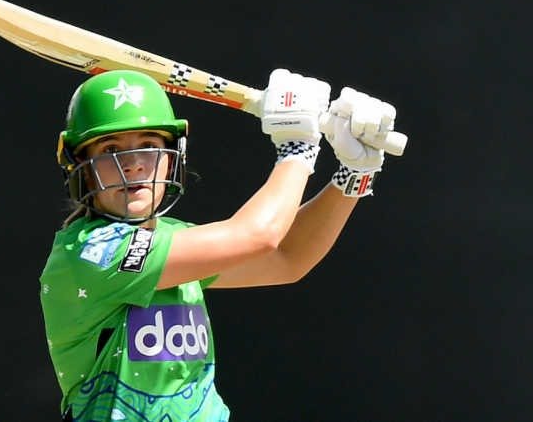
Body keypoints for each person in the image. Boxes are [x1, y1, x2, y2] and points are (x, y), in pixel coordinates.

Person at [39, 68, 398, 421]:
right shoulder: (92, 253)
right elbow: (257, 236)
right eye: (110, 148)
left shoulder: (171, 239)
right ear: (81, 167)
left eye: (148, 146)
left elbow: (287, 257)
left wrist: (354, 174)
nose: (132, 164)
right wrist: (298, 149)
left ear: (171, 157)